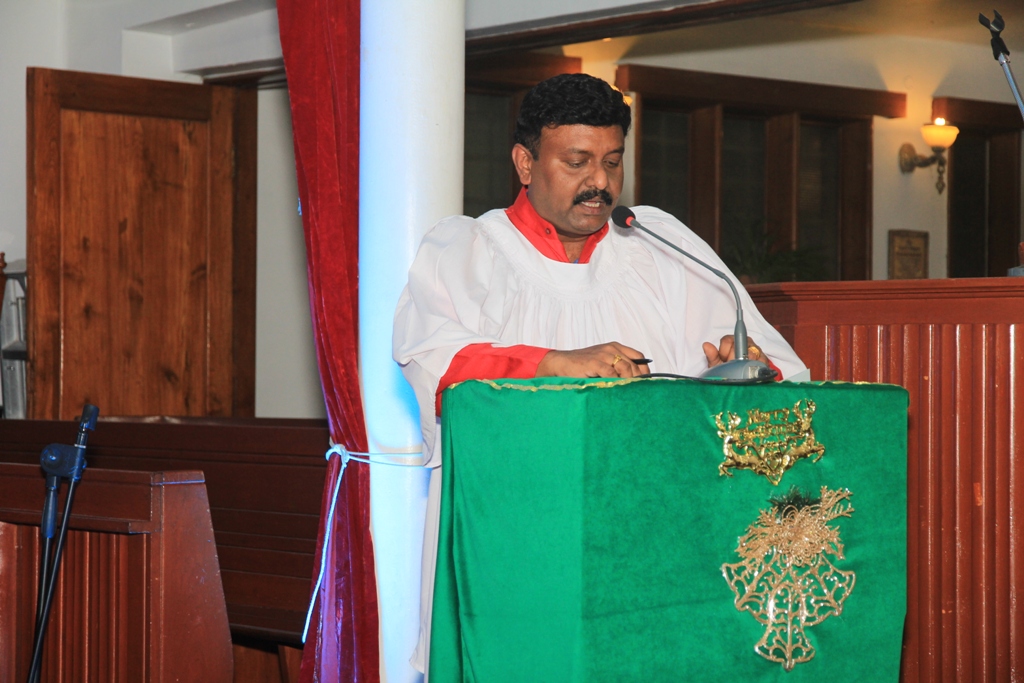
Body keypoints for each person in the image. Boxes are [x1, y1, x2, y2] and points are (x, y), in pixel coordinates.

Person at [392, 73, 806, 674]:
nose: (601, 183)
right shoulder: (471, 251)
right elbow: (437, 365)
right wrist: (554, 363)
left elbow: (777, 370)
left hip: (655, 531)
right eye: (577, 162)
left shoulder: (658, 246)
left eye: (612, 162)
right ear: (525, 163)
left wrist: (739, 377)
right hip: (521, 534)